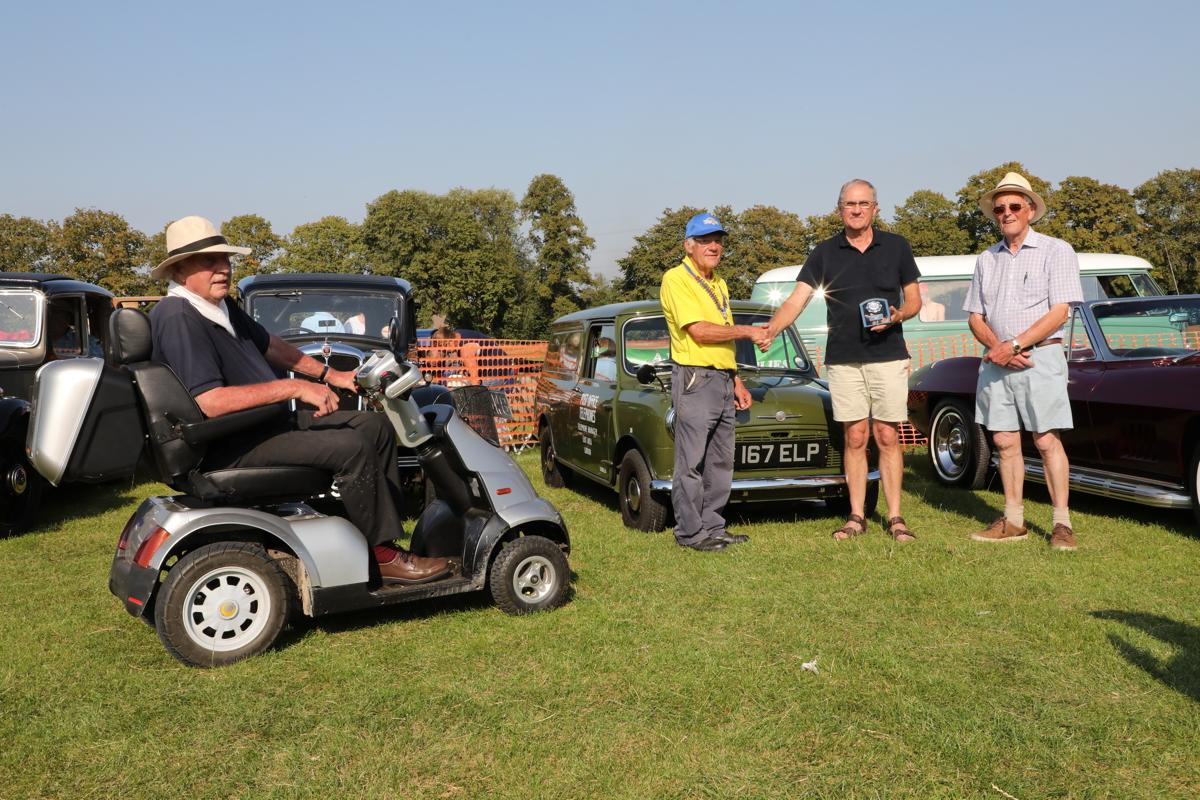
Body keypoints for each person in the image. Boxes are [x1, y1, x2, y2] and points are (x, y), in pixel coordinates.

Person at [147, 215, 452, 583]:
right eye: (209, 261)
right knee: (351, 446)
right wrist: (295, 388)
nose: (223, 269)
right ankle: (383, 555)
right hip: (229, 443)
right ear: (180, 270)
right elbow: (210, 402)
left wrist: (332, 375)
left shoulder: (218, 308)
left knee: (374, 426)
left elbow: (272, 346)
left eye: (225, 259)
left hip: (261, 427)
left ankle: (365, 535)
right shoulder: (180, 316)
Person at [760, 179, 921, 542]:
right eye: (850, 203)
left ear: (875, 208)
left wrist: (897, 316)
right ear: (839, 209)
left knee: (887, 436)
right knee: (855, 436)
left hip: (888, 356)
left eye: (864, 203)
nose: (857, 209)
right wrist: (770, 330)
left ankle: (896, 518)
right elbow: (796, 301)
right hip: (844, 359)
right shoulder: (824, 252)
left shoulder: (897, 247)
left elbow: (914, 301)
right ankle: (856, 516)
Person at [964, 172, 1083, 551]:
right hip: (999, 360)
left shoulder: (1056, 250)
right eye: (999, 208)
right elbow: (974, 317)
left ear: (1031, 210)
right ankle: (1013, 520)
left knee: (1047, 439)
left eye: (1015, 206)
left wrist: (1013, 345)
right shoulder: (987, 258)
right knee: (1003, 440)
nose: (1006, 213)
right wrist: (1000, 348)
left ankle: (1062, 524)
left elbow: (1060, 311)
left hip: (1040, 357)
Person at [660, 212, 763, 552]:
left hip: (720, 378)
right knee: (690, 463)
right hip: (694, 377)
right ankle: (690, 534)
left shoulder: (719, 282)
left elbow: (723, 342)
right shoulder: (676, 279)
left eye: (718, 239)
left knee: (720, 461)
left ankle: (713, 527)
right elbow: (701, 332)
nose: (714, 246)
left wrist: (737, 381)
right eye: (705, 240)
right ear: (688, 246)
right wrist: (748, 330)